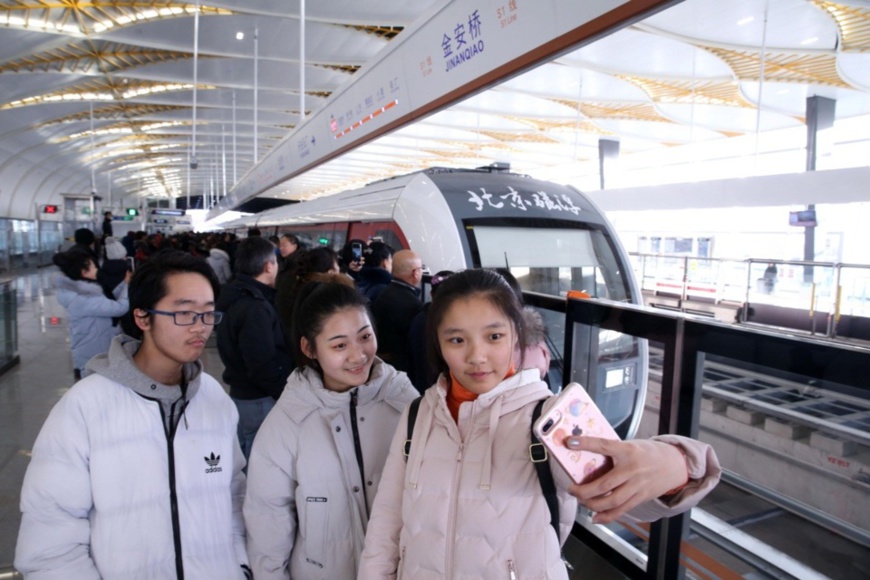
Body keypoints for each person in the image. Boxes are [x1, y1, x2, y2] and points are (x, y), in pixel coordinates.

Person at [358, 269, 721, 579]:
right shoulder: (418, 413)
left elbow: (628, 488)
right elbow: (387, 525)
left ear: (517, 335)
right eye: (457, 340)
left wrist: (676, 462)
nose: (477, 356)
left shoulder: (548, 419)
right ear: (437, 344)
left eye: (494, 336)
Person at [15, 251, 250, 579]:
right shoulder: (85, 408)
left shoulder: (214, 399)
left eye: (208, 315)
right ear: (142, 317)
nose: (200, 328)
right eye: (184, 313)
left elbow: (233, 495)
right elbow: (51, 535)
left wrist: (240, 567)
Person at [244, 279, 418, 579]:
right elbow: (267, 521)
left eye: (365, 336)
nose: (358, 355)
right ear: (309, 349)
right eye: (339, 345)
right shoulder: (287, 423)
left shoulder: (406, 402)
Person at [216, 236, 294, 461]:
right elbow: (261, 362)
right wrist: (282, 392)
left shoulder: (233, 295)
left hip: (242, 392)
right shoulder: (254, 307)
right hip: (257, 398)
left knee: (243, 451)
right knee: (259, 460)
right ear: (268, 266)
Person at [52, 249, 130, 381]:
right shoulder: (84, 298)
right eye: (93, 266)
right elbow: (120, 308)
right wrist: (127, 285)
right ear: (84, 272)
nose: (96, 269)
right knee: (97, 388)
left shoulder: (80, 291)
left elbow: (106, 303)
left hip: (89, 346)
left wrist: (123, 285)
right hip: (93, 351)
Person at [371, 249, 423, 374]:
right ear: (415, 273)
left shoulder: (383, 293)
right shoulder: (413, 305)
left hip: (384, 365)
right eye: (421, 268)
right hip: (403, 369)